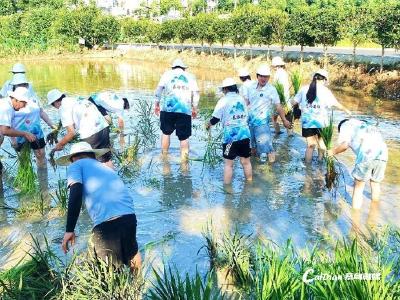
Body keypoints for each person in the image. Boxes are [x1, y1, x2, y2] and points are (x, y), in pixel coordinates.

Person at [56, 142, 141, 271]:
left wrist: (69, 229)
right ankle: (137, 285)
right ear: (92, 156)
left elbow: (76, 192)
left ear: (73, 158)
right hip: (129, 216)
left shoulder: (75, 166)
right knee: (132, 253)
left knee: (108, 272)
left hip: (107, 223)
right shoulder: (105, 167)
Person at [291, 69, 351, 163]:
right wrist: (346, 110)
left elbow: (293, 102)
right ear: (324, 80)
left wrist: (296, 108)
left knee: (310, 146)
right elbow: (335, 103)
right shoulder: (326, 91)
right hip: (322, 122)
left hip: (308, 123)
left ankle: (308, 170)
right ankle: (320, 166)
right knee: (322, 144)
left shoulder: (304, 88)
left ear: (314, 78)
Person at [328, 119, 388, 210]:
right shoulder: (363, 124)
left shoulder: (345, 126)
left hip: (367, 155)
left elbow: (344, 145)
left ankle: (355, 216)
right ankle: (374, 211)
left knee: (359, 187)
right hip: (383, 154)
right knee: (375, 183)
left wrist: (332, 152)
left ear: (340, 127)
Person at [47, 89, 113, 167]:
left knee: (90, 162)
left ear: (55, 102)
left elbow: (71, 132)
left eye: (53, 105)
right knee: (106, 159)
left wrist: (60, 144)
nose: (55, 108)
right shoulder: (76, 99)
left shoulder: (63, 107)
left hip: (90, 133)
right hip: (103, 127)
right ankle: (112, 177)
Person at [206, 78, 252, 185]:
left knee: (228, 164)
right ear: (235, 88)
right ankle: (250, 184)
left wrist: (208, 125)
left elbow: (215, 119)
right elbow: (247, 116)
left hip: (230, 137)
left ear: (225, 89)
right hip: (245, 134)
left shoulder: (223, 101)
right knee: (246, 162)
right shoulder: (241, 99)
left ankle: (227, 189)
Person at [244, 64, 291, 163]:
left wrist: (284, 120)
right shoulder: (251, 87)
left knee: (269, 149)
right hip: (250, 122)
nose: (263, 78)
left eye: (266, 76)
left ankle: (272, 173)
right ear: (257, 76)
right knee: (251, 147)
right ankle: (255, 168)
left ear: (269, 77)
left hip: (262, 124)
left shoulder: (271, 90)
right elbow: (246, 103)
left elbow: (278, 106)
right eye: (261, 76)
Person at [154, 58, 200, 160]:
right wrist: (195, 108)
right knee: (184, 137)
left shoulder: (167, 74)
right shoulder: (190, 76)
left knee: (166, 133)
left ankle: (164, 157)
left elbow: (159, 90)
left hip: (167, 110)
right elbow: (196, 93)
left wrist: (156, 104)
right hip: (184, 110)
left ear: (173, 67)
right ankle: (184, 162)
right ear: (184, 68)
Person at [9, 74, 55, 168]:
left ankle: (43, 178)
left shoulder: (33, 98)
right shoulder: (13, 102)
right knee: (24, 158)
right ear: (15, 86)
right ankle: (25, 180)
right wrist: (13, 140)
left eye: (24, 84)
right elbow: (8, 124)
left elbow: (41, 112)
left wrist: (51, 124)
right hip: (20, 135)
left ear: (27, 85)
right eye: (19, 84)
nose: (22, 85)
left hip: (36, 132)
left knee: (41, 154)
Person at [271, 56, 291, 135]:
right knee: (287, 118)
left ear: (276, 66)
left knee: (273, 118)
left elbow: (276, 87)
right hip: (286, 99)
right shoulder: (284, 73)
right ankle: (290, 134)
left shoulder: (277, 73)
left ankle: (277, 132)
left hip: (278, 99)